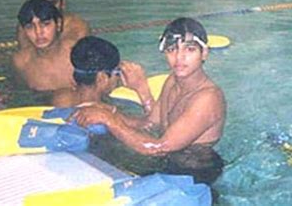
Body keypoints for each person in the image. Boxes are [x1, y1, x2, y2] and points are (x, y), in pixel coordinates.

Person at [73, 17, 226, 184]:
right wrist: (108, 111)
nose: (179, 57)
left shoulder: (208, 98)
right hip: (168, 162)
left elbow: (158, 147)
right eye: (172, 49)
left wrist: (110, 121)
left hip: (195, 174)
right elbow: (150, 124)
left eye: (189, 49)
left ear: (204, 53)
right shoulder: (172, 81)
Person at [11, 0, 76, 98]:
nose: (38, 32)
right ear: (23, 31)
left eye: (45, 24)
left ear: (58, 24)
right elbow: (19, 93)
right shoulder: (21, 61)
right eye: (30, 27)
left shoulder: (78, 53)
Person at [16, 0, 89, 49]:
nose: (48, 7)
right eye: (43, 3)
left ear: (62, 3)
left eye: (53, 3)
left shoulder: (77, 27)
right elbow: (24, 52)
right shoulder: (26, 25)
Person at [53, 36, 122, 107]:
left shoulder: (60, 97)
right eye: (117, 73)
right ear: (102, 79)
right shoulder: (106, 112)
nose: (119, 78)